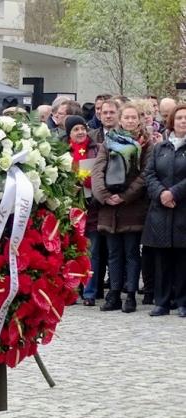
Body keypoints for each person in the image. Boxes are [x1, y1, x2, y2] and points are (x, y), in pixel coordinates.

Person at [91, 102, 154, 313]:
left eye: (133, 117)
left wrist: (125, 196)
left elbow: (146, 174)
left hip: (133, 206)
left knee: (131, 253)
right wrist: (105, 196)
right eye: (126, 117)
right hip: (109, 208)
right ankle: (114, 294)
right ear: (120, 119)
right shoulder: (107, 142)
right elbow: (98, 171)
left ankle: (130, 296)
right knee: (113, 254)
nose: (129, 121)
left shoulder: (146, 144)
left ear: (139, 119)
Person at [143, 103, 186, 317]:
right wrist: (161, 193)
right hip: (160, 211)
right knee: (161, 259)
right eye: (179, 118)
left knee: (182, 258)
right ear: (172, 121)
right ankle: (162, 301)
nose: (183, 122)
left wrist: (174, 193)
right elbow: (149, 174)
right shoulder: (161, 147)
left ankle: (182, 301)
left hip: (182, 209)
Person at [63, 115, 104, 306]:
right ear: (69, 133)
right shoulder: (64, 152)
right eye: (75, 129)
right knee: (71, 250)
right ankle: (70, 290)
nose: (80, 132)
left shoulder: (96, 149)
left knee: (91, 251)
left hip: (92, 208)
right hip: (71, 209)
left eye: (82, 128)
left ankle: (89, 291)